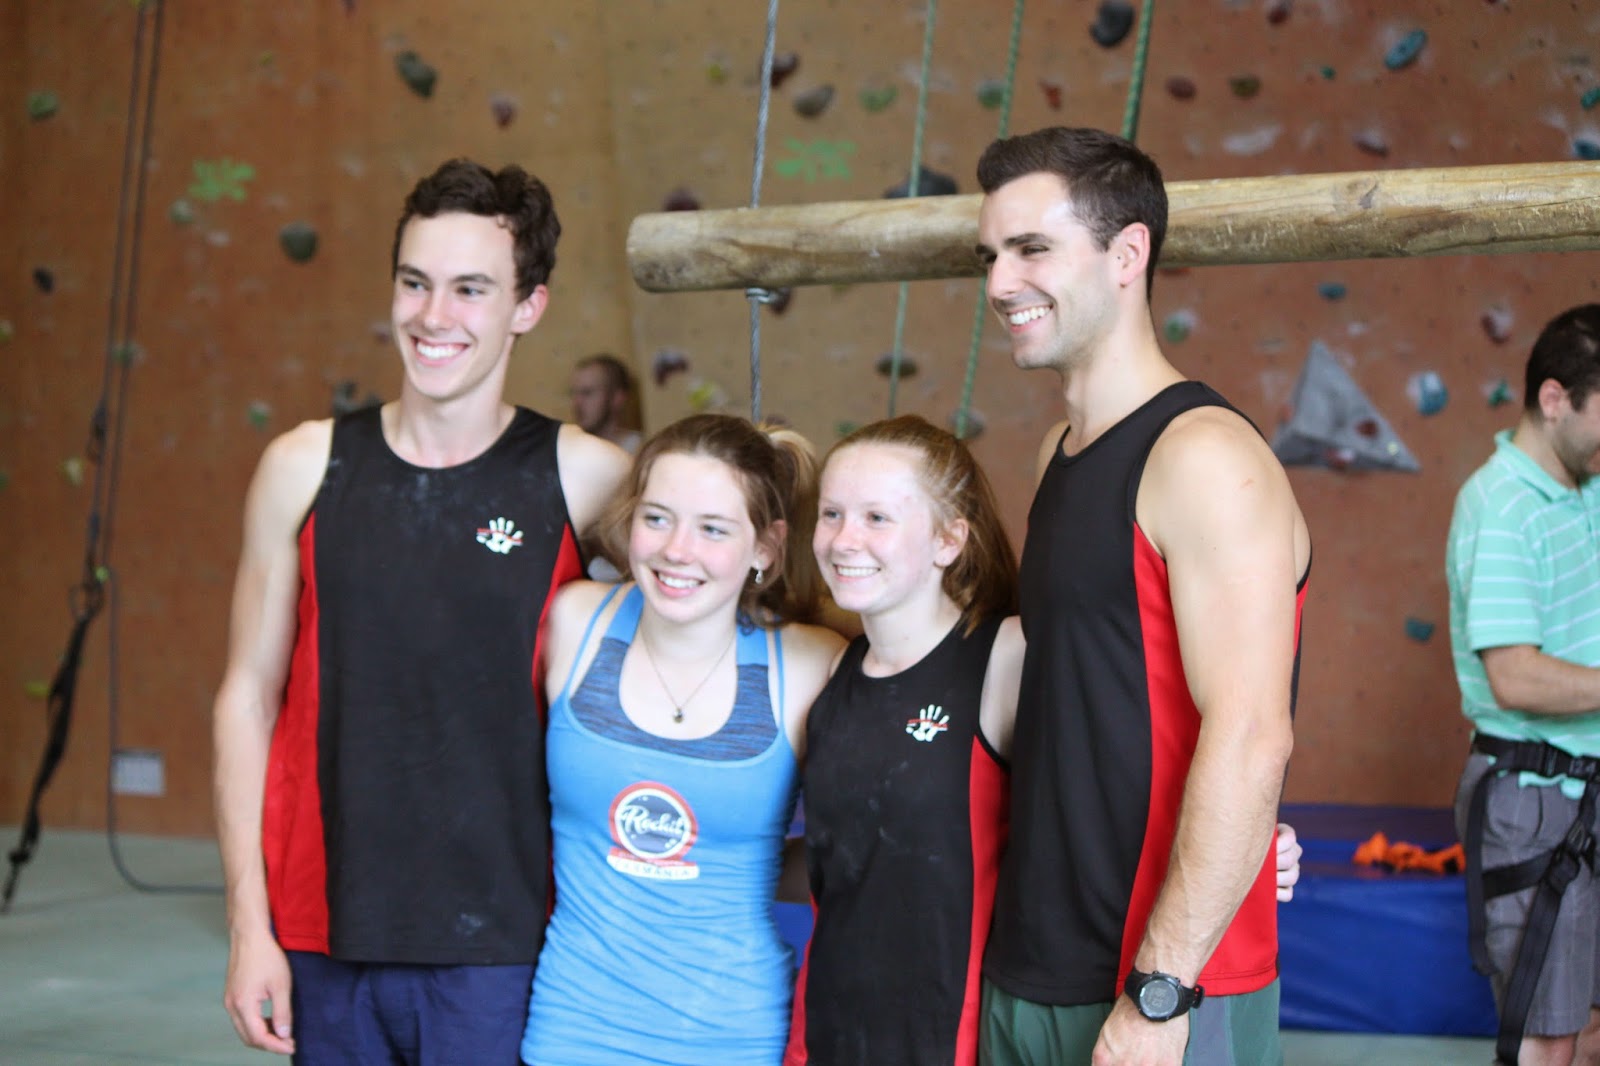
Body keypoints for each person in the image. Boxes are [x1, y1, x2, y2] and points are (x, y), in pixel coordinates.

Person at [212, 159, 630, 1062]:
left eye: (471, 289)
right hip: (324, 925)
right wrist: (251, 927)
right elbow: (247, 697)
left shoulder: (586, 476)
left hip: (505, 935)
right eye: (415, 283)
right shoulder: (304, 466)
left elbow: (711, 621)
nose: (434, 317)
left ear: (528, 307)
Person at [784, 415, 1304, 1066]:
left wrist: (1253, 838)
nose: (843, 539)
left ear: (950, 538)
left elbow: (1133, 767)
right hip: (828, 1031)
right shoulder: (825, 669)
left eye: (876, 518)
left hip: (964, 1036)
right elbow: (855, 855)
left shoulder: (1007, 657)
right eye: (831, 514)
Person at [973, 127, 1309, 1065]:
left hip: (1161, 984)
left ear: (1128, 255)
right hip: (1033, 959)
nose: (1001, 283)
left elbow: (1250, 736)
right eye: (992, 255)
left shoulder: (1205, 457)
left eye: (1032, 249)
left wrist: (1161, 993)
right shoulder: (1058, 455)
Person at [520, 413, 843, 1066]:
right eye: (658, 518)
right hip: (572, 1027)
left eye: (713, 529)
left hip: (736, 1034)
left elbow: (869, 847)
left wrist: (742, 862)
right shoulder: (573, 620)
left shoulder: (809, 667)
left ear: (766, 547)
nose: (677, 550)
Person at [1448, 304, 1600, 1066]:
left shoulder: (1587, 487)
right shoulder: (1500, 505)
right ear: (1554, 399)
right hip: (1533, 796)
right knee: (1549, 1033)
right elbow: (1515, 675)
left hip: (1589, 786)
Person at [570, 352, 644, 453]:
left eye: (587, 393)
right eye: (574, 393)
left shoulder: (640, 452)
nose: (577, 402)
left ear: (617, 398)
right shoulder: (572, 452)